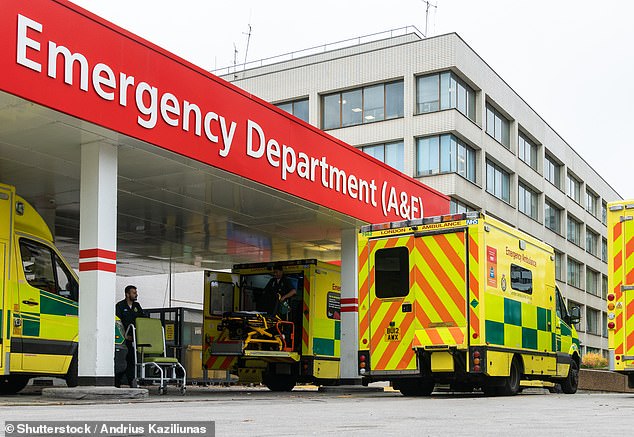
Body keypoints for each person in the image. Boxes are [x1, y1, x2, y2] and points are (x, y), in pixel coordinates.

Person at [114, 285, 146, 388]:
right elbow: (117, 322)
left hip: (135, 339)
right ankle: (117, 382)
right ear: (127, 294)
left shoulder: (137, 306)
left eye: (136, 292)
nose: (136, 294)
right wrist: (125, 336)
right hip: (123, 339)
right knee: (122, 360)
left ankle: (132, 382)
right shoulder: (120, 306)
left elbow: (142, 320)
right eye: (133, 293)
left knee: (132, 361)